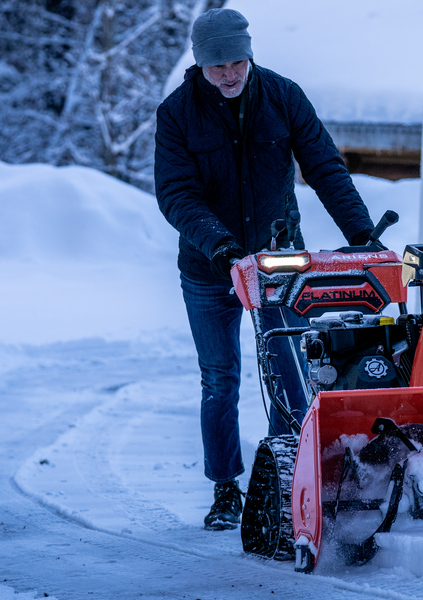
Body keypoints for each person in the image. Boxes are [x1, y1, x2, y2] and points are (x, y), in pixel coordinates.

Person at [154, 8, 374, 531]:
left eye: (237, 62)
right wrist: (221, 245)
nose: (230, 74)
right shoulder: (177, 113)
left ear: (249, 55)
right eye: (218, 66)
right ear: (200, 64)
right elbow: (176, 193)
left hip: (278, 264)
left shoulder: (283, 96)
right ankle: (224, 488)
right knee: (220, 378)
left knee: (288, 369)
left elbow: (324, 167)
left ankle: (285, 478)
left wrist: (362, 235)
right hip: (211, 266)